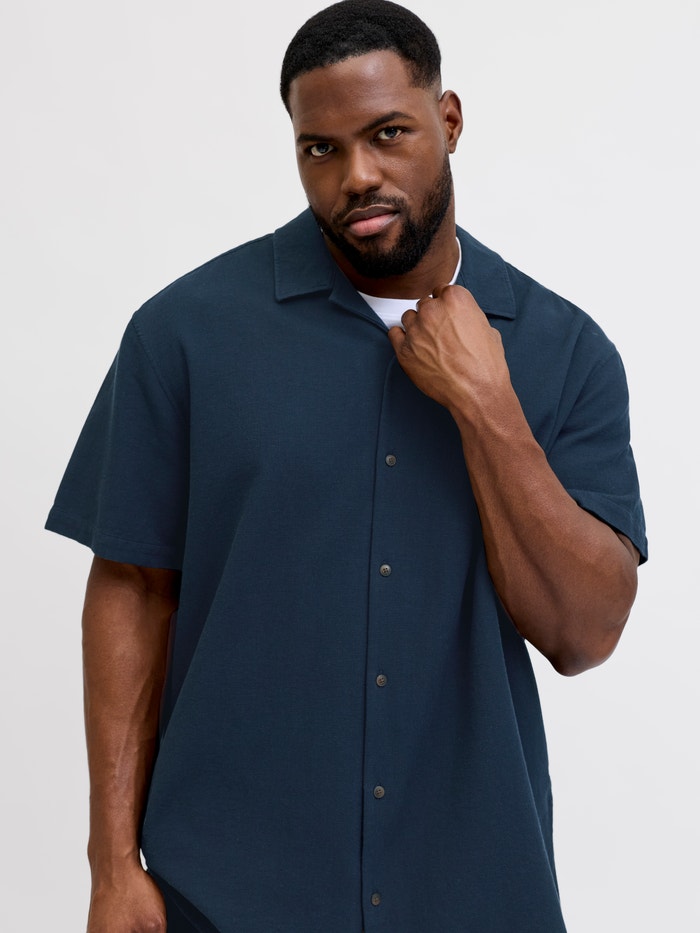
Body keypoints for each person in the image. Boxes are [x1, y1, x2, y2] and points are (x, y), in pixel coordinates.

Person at [46, 1, 647, 930]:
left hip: (474, 897)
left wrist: (488, 407)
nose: (356, 176)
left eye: (388, 133)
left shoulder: (566, 351)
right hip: (225, 896)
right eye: (319, 149)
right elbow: (131, 588)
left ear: (449, 120)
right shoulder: (185, 334)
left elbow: (586, 633)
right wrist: (111, 864)